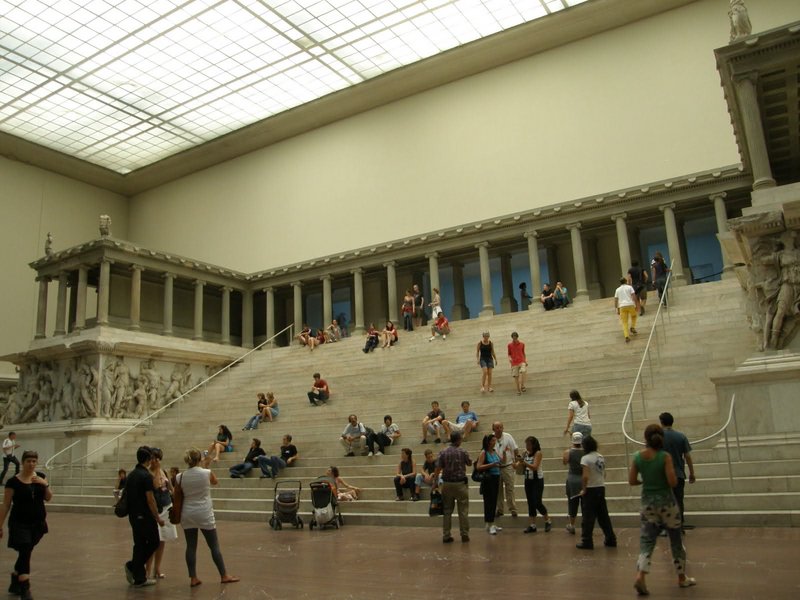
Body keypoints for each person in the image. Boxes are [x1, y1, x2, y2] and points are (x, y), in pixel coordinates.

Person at [629, 424, 696, 595]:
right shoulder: (664, 457)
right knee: (675, 540)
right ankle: (682, 577)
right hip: (667, 503)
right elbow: (673, 482)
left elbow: (632, 480)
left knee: (647, 541)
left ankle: (641, 575)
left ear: (646, 438)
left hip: (648, 504)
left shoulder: (638, 457)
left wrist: (644, 482)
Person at [177, 448, 239, 587]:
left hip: (187, 513)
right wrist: (206, 466)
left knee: (191, 546)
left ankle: (193, 577)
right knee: (214, 546)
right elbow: (215, 482)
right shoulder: (206, 473)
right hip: (204, 512)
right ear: (199, 459)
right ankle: (224, 575)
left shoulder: (179, 476)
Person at [0, 450, 52, 600]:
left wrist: (45, 484)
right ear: (23, 462)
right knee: (25, 549)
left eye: (34, 461)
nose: (31, 464)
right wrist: (0, 525)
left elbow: (48, 498)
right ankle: (24, 586)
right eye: (28, 461)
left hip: (38, 524)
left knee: (26, 550)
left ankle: (16, 576)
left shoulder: (41, 477)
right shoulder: (13, 482)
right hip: (19, 523)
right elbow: (5, 505)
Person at [122, 446, 163, 587]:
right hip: (145, 516)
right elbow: (150, 499)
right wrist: (157, 517)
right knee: (154, 542)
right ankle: (133, 566)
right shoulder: (145, 476)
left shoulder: (132, 474)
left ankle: (139, 577)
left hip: (134, 515)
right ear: (148, 459)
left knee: (139, 544)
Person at [576, 436, 617, 550]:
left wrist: (584, 489)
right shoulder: (600, 457)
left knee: (588, 516)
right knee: (603, 515)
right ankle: (610, 538)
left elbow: (585, 476)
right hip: (600, 487)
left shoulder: (585, 458)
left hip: (591, 488)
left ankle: (587, 540)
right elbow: (604, 473)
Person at [433, 431, 472, 543]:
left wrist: (435, 482)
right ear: (459, 439)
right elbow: (469, 463)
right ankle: (464, 534)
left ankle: (446, 535)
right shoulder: (463, 451)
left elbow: (438, 468)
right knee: (463, 511)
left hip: (447, 484)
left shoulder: (443, 452)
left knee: (447, 511)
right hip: (460, 484)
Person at [659, 412, 695, 530]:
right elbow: (687, 456)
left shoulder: (658, 437)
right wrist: (692, 473)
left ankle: (666, 526)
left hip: (664, 475)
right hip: (678, 473)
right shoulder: (681, 436)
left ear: (661, 422)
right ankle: (679, 524)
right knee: (678, 500)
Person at [145, 447, 176, 581]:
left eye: (158, 458)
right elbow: (154, 489)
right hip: (155, 510)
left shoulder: (164, 471)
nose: (156, 461)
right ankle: (148, 571)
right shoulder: (148, 474)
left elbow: (171, 489)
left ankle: (157, 569)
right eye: (153, 458)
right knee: (153, 542)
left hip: (167, 506)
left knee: (162, 540)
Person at [516, 436, 552, 533]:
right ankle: (532, 525)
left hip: (537, 480)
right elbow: (517, 466)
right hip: (528, 480)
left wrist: (524, 462)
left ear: (533, 445)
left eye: (528, 444)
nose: (527, 446)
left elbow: (535, 467)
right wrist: (517, 461)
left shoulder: (538, 453)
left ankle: (547, 520)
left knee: (537, 502)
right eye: (526, 444)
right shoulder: (525, 453)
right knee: (530, 502)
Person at [476, 433, 504, 535]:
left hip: (496, 478)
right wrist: (492, 464)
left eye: (495, 440)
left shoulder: (494, 451)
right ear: (488, 442)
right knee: (489, 502)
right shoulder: (484, 452)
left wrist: (502, 458)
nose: (494, 442)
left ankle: (490, 523)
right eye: (492, 440)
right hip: (488, 480)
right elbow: (479, 467)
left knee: (494, 501)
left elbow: (500, 461)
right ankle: (490, 524)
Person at [493, 421, 519, 518]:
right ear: (493, 429)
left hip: (508, 466)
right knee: (498, 490)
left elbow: (515, 449)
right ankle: (499, 509)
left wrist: (517, 462)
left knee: (510, 489)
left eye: (500, 427)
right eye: (497, 428)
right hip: (496, 467)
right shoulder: (491, 438)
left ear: (503, 428)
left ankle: (513, 509)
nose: (499, 429)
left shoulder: (508, 436)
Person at [562, 431, 584, 534]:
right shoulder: (586, 452)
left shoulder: (568, 452)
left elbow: (565, 462)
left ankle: (572, 524)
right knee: (585, 504)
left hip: (572, 479)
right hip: (583, 479)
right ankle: (586, 524)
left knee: (572, 503)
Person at [614, 276, 641, 343]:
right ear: (626, 281)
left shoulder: (617, 289)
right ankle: (632, 327)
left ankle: (626, 336)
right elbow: (634, 296)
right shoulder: (629, 287)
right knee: (634, 316)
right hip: (630, 304)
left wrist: (616, 308)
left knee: (624, 322)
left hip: (622, 307)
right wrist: (637, 304)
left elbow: (616, 300)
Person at [507, 332, 528, 396]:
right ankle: (518, 390)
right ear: (512, 337)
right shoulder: (509, 345)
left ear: (517, 337)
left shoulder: (522, 344)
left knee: (523, 371)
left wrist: (525, 361)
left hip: (521, 361)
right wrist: (510, 358)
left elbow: (523, 353)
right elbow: (509, 354)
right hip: (514, 363)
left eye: (515, 337)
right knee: (516, 376)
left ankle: (522, 385)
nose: (514, 338)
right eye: (513, 337)